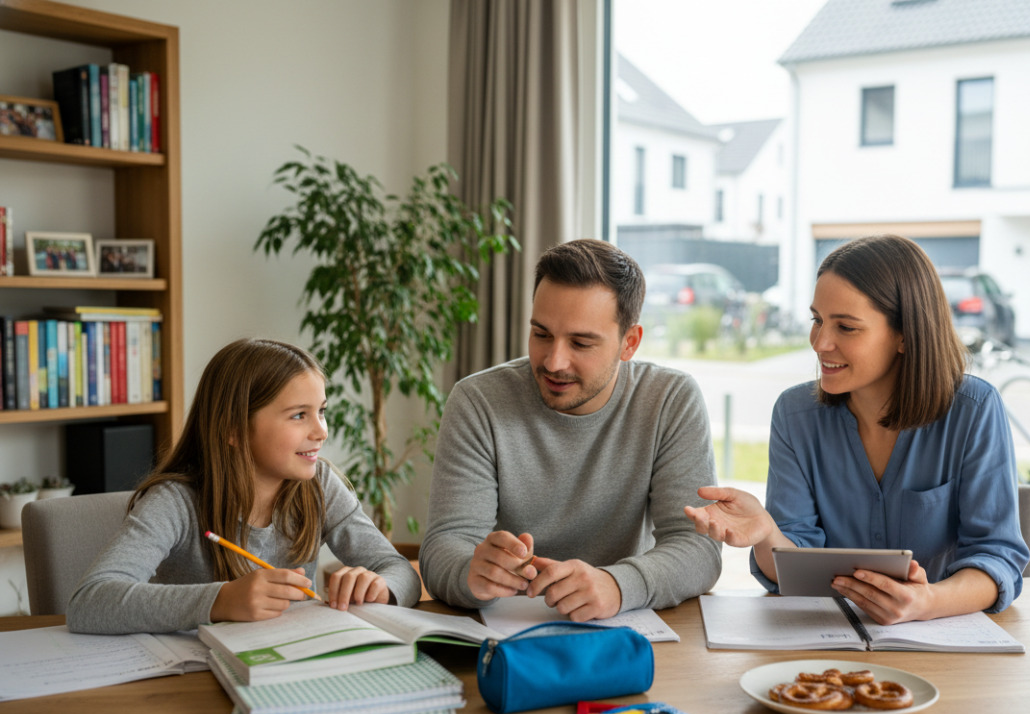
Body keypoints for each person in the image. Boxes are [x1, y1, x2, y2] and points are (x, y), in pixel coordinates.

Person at [685, 234, 1029, 624]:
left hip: (942, 642)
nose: (820, 342)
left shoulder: (974, 410)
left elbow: (996, 558)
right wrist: (767, 534)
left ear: (904, 335)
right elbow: (792, 568)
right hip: (824, 642)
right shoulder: (795, 415)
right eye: (817, 320)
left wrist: (925, 602)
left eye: (846, 327)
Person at [419, 238, 722, 621]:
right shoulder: (478, 401)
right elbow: (442, 548)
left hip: (623, 623)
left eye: (580, 343)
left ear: (629, 343)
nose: (553, 361)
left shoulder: (670, 400)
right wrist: (470, 573)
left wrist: (616, 585)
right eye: (541, 334)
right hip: (507, 631)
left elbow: (698, 549)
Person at [68, 338, 423, 634]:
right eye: (299, 415)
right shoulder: (176, 501)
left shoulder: (320, 485)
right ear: (233, 429)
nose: (322, 431)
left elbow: (400, 571)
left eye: (322, 411)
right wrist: (220, 601)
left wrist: (382, 587)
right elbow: (89, 602)